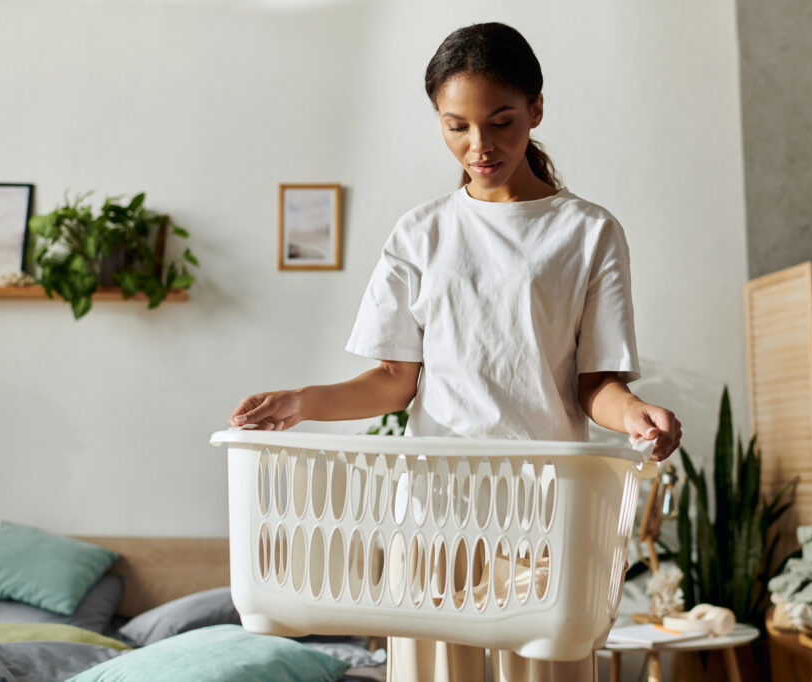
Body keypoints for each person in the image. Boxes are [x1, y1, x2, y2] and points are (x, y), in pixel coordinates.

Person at [229, 21, 682, 682]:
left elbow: (597, 385)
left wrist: (636, 411)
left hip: (548, 515)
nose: (480, 145)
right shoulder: (421, 234)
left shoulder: (588, 233)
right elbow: (391, 381)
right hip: (436, 518)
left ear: (536, 108)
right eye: (456, 125)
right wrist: (301, 402)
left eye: (500, 121)